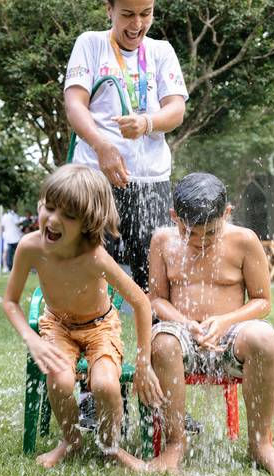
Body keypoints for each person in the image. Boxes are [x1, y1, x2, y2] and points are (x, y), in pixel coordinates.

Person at [3, 164, 165, 472]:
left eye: (69, 216)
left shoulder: (95, 258)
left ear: (88, 223)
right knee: (60, 379)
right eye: (49, 207)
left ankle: (110, 446)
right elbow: (10, 302)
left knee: (105, 384)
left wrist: (143, 363)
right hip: (57, 325)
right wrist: (32, 339)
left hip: (99, 327)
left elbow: (141, 304)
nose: (52, 220)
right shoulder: (30, 247)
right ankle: (71, 440)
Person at [142, 172, 274, 476]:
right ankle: (176, 444)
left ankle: (261, 445)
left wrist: (226, 321)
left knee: (265, 338)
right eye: (190, 233)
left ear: (226, 214)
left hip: (231, 336)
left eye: (210, 233)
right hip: (181, 331)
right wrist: (185, 323)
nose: (200, 241)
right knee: (161, 342)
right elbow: (157, 299)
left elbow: (262, 302)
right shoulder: (162, 241)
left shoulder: (244, 241)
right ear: (174, 217)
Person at [64, 0, 187, 293]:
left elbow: (176, 110)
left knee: (155, 273)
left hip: (150, 179)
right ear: (109, 10)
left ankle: (159, 336)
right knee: (86, 265)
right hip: (95, 177)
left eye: (146, 14)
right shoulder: (90, 44)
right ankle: (86, 334)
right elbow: (74, 104)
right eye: (128, 15)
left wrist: (146, 123)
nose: (137, 25)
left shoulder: (161, 51)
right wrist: (101, 146)